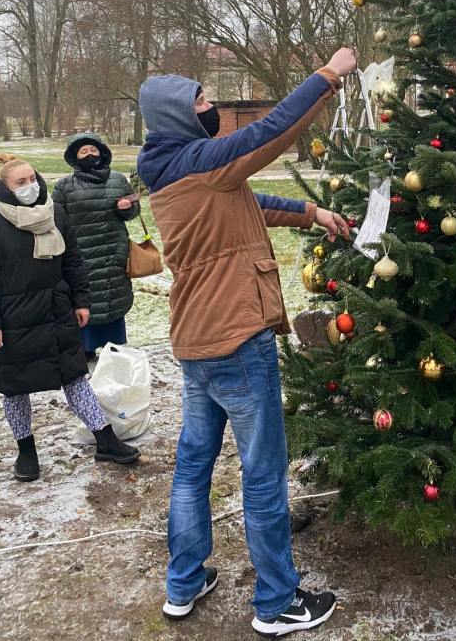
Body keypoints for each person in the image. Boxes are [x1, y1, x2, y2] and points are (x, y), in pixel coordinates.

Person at [137, 48, 357, 637]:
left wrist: (310, 211)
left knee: (193, 466)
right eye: (201, 101)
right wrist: (328, 75)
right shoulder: (202, 160)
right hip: (237, 340)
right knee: (263, 472)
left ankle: (183, 584)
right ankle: (278, 602)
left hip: (195, 342)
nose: (212, 106)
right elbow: (271, 130)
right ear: (177, 115)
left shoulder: (172, 170)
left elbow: (247, 204)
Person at [0, 154, 140, 481]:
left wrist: (81, 300)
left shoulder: (54, 213)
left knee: (75, 377)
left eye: (32, 179)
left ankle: (106, 440)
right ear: (5, 188)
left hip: (56, 311)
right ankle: (26, 451)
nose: (30, 186)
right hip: (13, 320)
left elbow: (73, 260)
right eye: (20, 182)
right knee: (15, 388)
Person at [53, 134, 140, 359]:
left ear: (102, 152)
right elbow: (56, 218)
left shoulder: (118, 180)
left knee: (112, 297)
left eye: (93, 149)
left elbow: (134, 210)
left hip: (113, 251)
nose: (89, 154)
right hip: (80, 254)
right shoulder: (64, 185)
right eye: (83, 151)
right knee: (85, 300)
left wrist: (126, 208)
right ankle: (85, 348)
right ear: (74, 157)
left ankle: (115, 346)